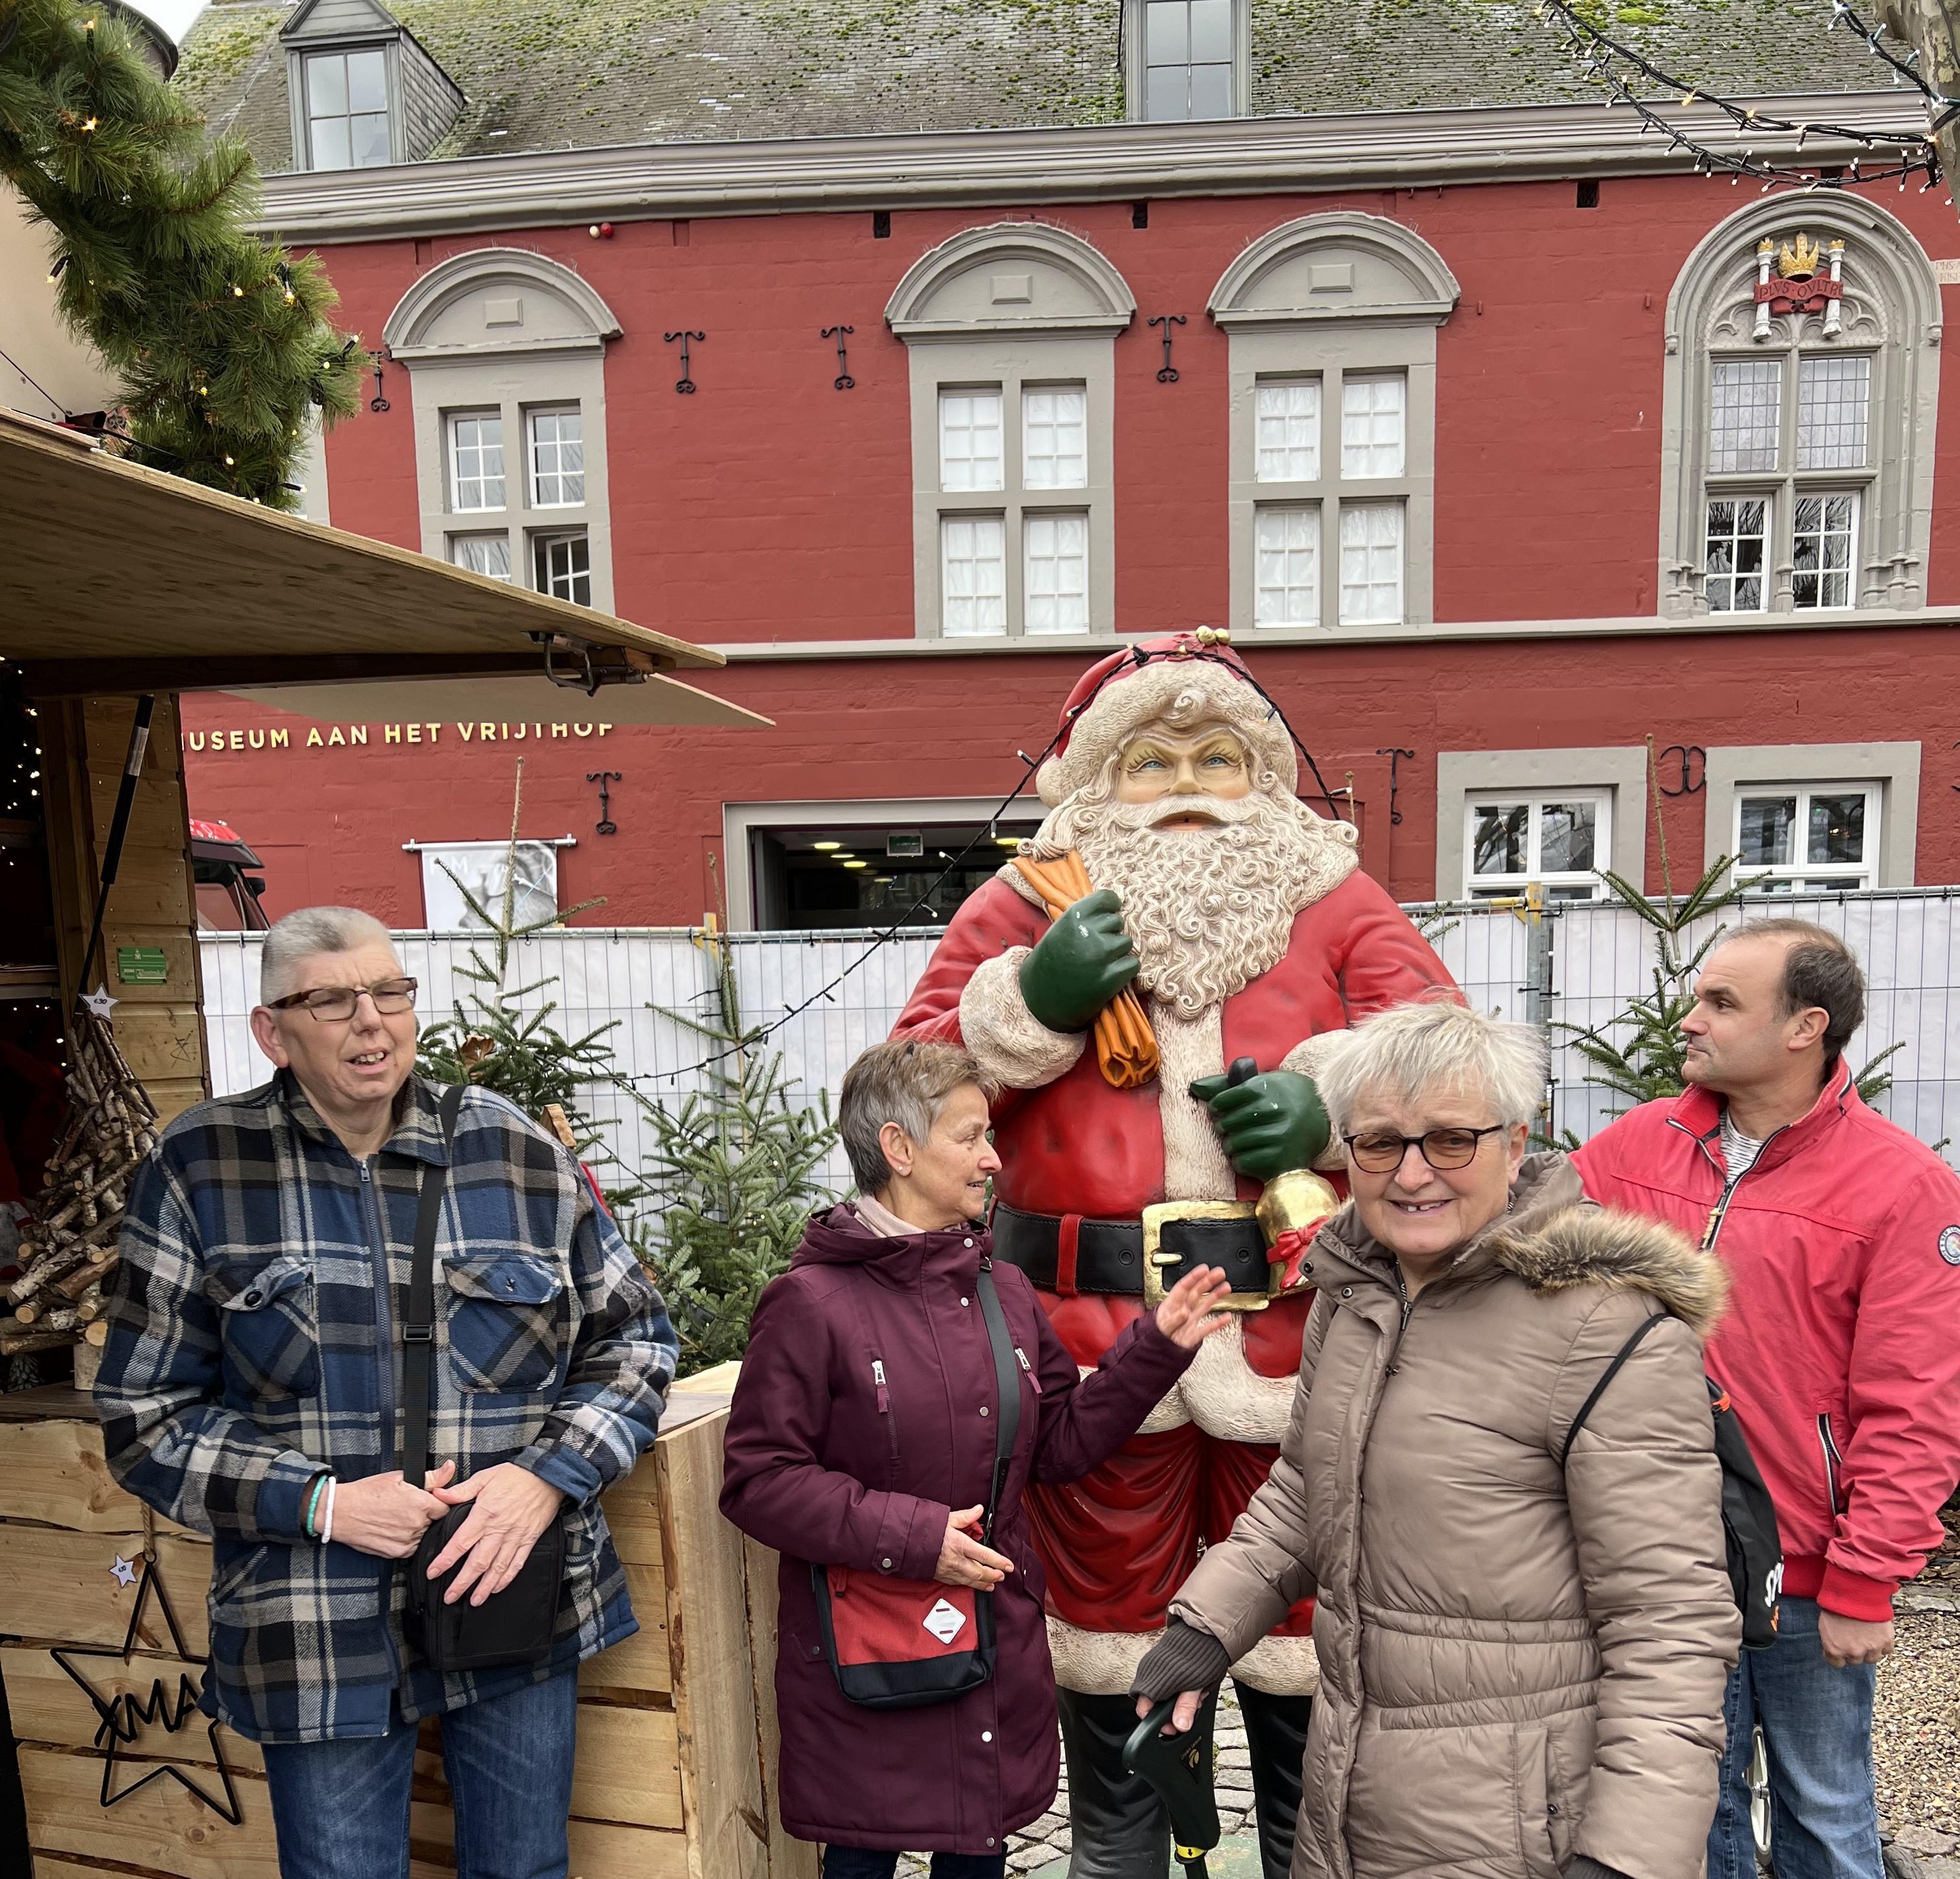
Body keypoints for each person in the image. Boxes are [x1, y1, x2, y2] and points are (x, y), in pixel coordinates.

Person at [892, 632, 1455, 1877]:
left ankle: (1311, 1850)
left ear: (1268, 774)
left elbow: (1445, 1062)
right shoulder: (1021, 905)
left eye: (1218, 755)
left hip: (1292, 1336)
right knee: (1100, 1618)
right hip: (1089, 1343)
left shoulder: (1338, 899)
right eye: (1150, 761)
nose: (1189, 783)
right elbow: (908, 1087)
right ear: (1095, 780)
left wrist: (1332, 1110)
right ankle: (1119, 1853)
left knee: (1306, 1611)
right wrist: (1032, 1002)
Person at [95, 905, 677, 1879]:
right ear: (272, 1031)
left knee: (525, 1871)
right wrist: (320, 1503)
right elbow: (145, 1418)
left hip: (511, 1593)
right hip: (311, 1619)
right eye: (332, 1000)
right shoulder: (200, 1167)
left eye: (390, 992)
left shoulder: (514, 1149)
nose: (372, 1022)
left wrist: (545, 1479)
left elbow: (636, 1341)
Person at [1132, 998, 1740, 1879]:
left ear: (1516, 1142)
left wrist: (1625, 1857)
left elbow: (1670, 1628)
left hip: (1518, 1833)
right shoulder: (1354, 1295)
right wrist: (1207, 1627)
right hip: (1348, 1805)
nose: (1412, 1174)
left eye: (1451, 1139)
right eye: (1380, 1143)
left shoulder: (1607, 1331)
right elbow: (1308, 1488)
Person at [719, 1038, 1238, 1878]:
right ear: (899, 1148)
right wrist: (914, 1535)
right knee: (860, 1861)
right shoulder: (809, 1304)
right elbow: (758, 1481)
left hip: (990, 1655)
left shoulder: (1000, 1289)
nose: (993, 1159)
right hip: (868, 1667)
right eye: (970, 1137)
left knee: (977, 1860)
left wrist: (1155, 1349)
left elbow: (1061, 1446)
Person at [1572, 918, 1960, 1879]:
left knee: (1824, 1820)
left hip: (1806, 1576)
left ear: (1805, 1027)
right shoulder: (1634, 1146)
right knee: (1686, 1818)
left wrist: (1869, 1579)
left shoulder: (1905, 1187)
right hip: (1659, 1568)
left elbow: (1915, 1405)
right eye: (1699, 995)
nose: (1689, 1019)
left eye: (1722, 1003)